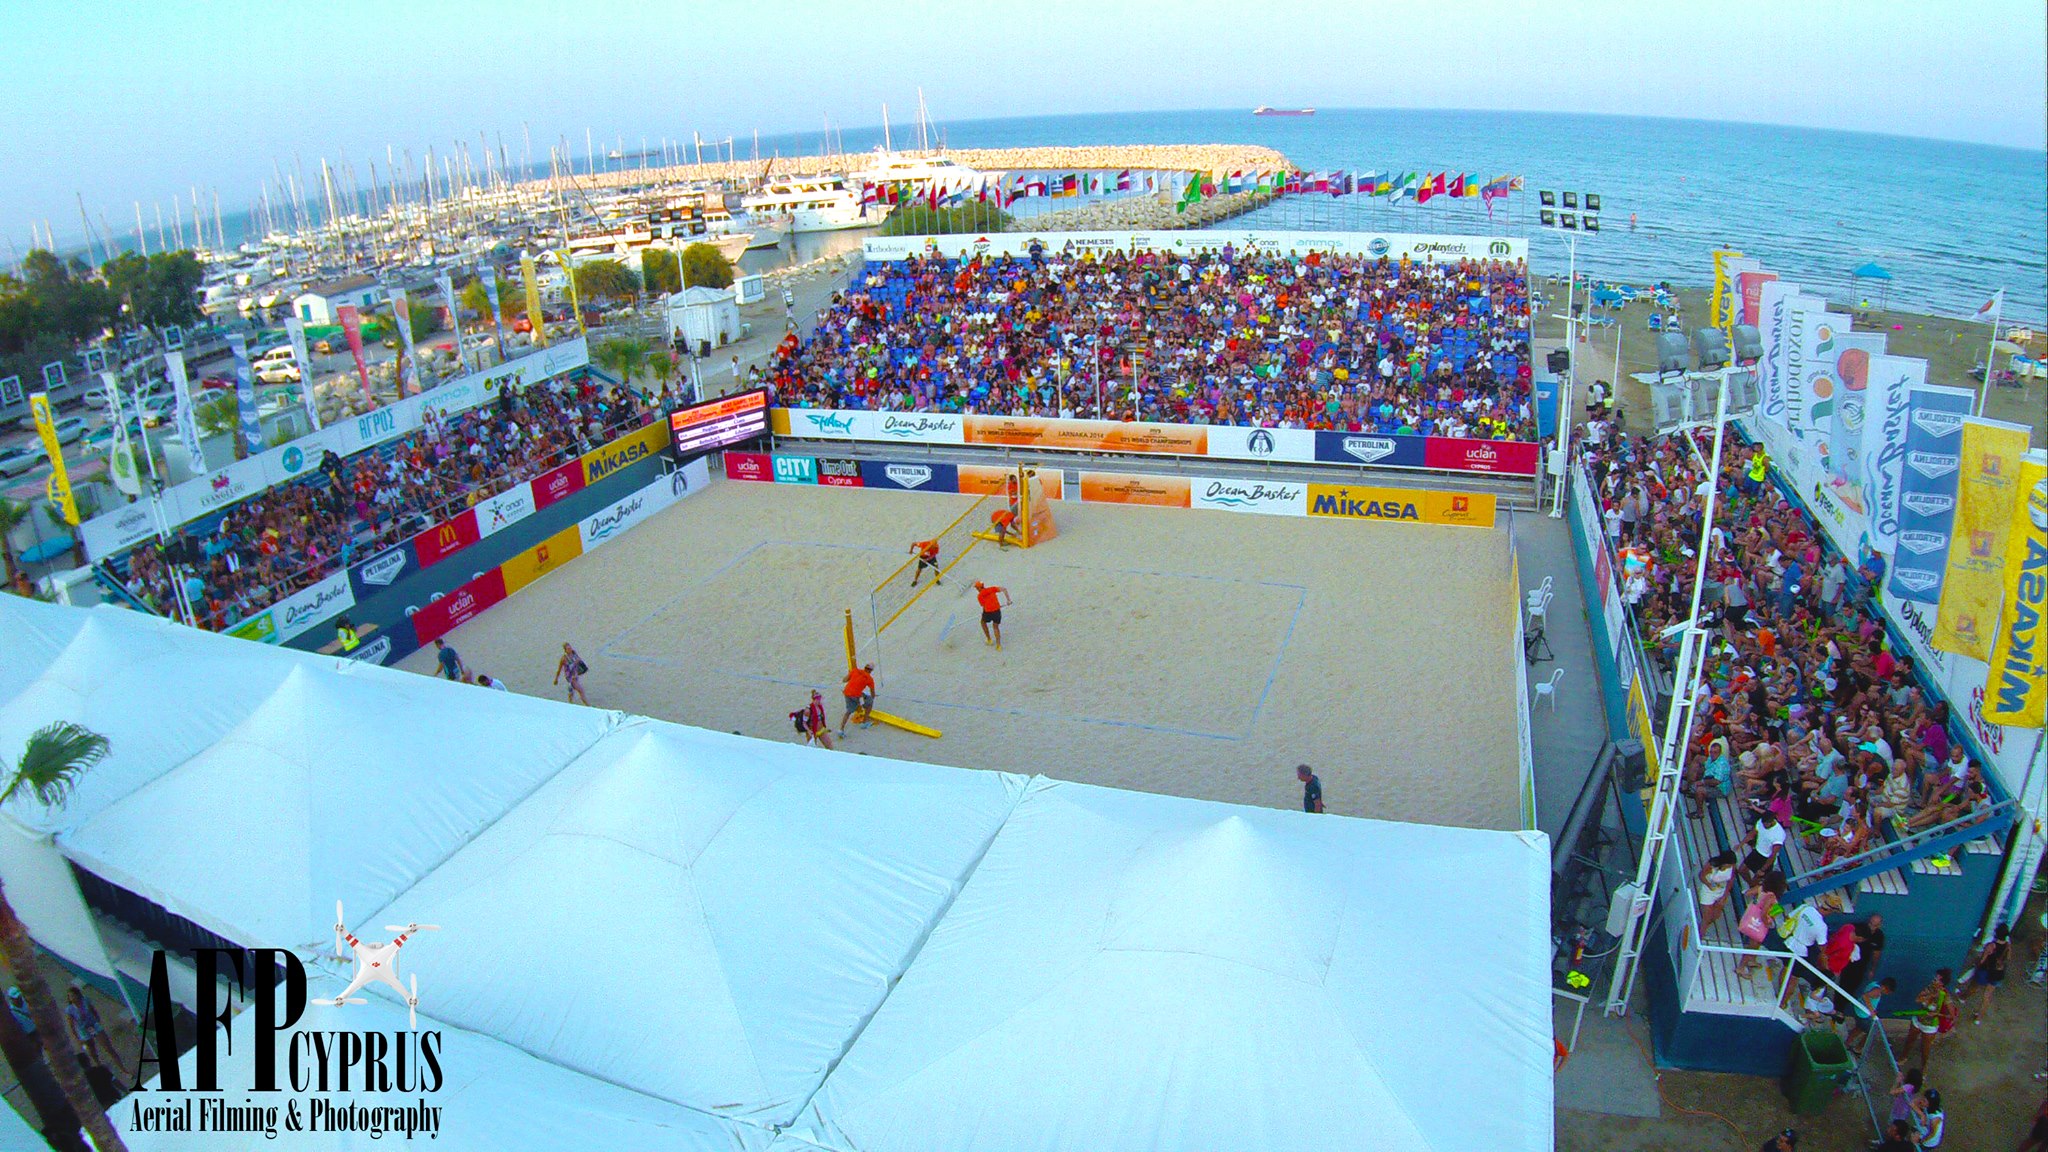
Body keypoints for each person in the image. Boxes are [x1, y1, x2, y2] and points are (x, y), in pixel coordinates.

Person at [1896, 972, 1956, 1067]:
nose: (1933, 980)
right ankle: (1903, 1057)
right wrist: (1929, 996)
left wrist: (1937, 1014)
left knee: (1925, 1050)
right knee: (1909, 1040)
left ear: (1942, 983)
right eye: (1935, 978)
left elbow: (1951, 1016)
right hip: (1918, 1020)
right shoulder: (1929, 988)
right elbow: (1917, 999)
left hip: (1930, 1026)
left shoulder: (1945, 996)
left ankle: (1923, 1069)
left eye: (1936, 979)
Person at [1961, 922, 2011, 1023]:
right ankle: (1978, 1018)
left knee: (1974, 986)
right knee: (1987, 995)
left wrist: (1977, 964)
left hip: (1986, 971)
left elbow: (1983, 960)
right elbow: (2008, 958)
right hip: (1998, 973)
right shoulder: (2008, 946)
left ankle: (1963, 997)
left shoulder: (1991, 946)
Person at [64, 986, 120, 1073]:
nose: (72, 998)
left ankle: (122, 1068)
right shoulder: (70, 1010)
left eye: (73, 995)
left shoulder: (85, 1000)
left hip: (93, 1025)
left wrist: (97, 1020)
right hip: (84, 1031)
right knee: (92, 1052)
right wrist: (78, 1039)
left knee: (108, 1047)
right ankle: (99, 1067)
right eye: (70, 997)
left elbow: (93, 1010)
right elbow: (72, 1026)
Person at [1696, 850, 1737, 933]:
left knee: (1715, 916)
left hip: (1721, 890)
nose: (1731, 866)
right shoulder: (1711, 866)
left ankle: (1701, 928)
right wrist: (1709, 884)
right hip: (1708, 891)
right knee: (1707, 917)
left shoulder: (1732, 868)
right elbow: (1701, 875)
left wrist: (1725, 896)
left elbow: (1731, 880)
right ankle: (1700, 935)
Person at [839, 662, 876, 735]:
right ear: (871, 671)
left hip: (847, 692)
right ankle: (864, 722)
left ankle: (841, 729)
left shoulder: (855, 670)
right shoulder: (869, 679)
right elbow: (872, 693)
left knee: (848, 711)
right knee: (870, 702)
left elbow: (844, 680)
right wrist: (873, 697)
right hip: (855, 695)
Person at [974, 581, 1012, 648]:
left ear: (978, 588)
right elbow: (1004, 589)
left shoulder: (979, 596)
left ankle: (989, 639)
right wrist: (1008, 600)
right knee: (995, 627)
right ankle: (998, 645)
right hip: (997, 611)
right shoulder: (991, 589)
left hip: (988, 612)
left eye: (976, 588)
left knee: (983, 622)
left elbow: (983, 605)